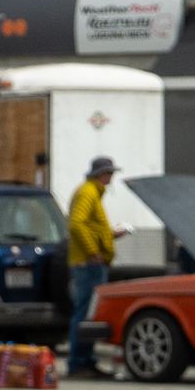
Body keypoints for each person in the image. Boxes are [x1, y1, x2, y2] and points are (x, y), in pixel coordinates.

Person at [67, 154, 119, 376]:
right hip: (88, 264)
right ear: (101, 174)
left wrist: (110, 235)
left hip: (90, 262)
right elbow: (77, 224)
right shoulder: (88, 192)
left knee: (89, 313)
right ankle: (79, 362)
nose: (111, 178)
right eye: (109, 173)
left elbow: (90, 227)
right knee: (85, 313)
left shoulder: (92, 193)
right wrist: (93, 252)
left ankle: (85, 360)